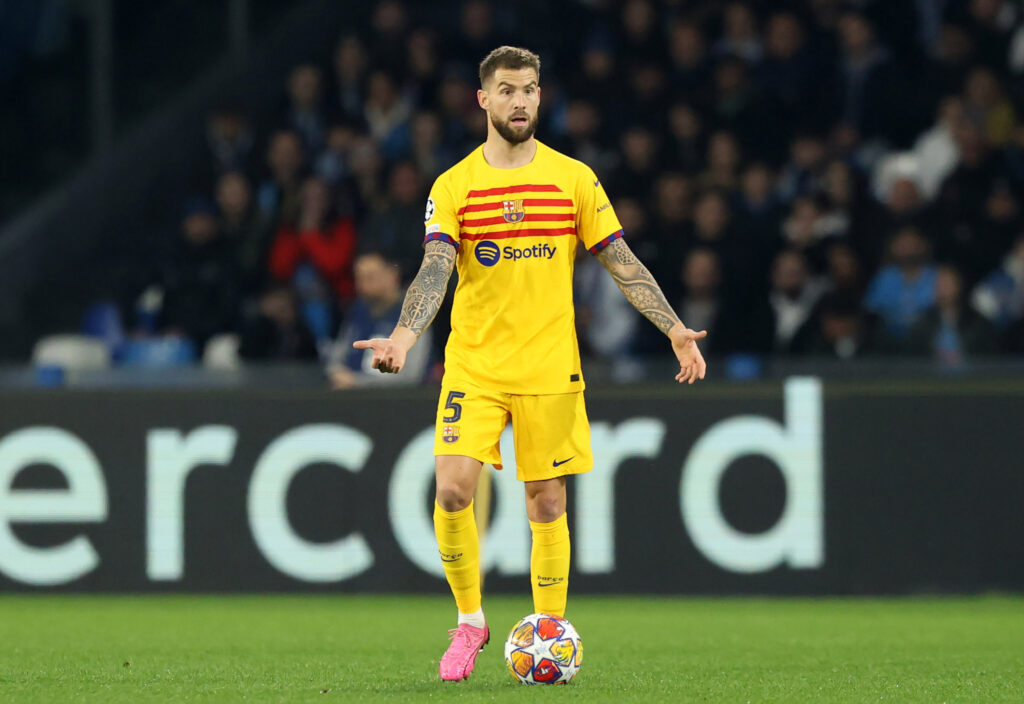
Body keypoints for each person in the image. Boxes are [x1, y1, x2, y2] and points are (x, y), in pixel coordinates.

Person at [350, 47, 707, 682]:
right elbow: (435, 268)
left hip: (549, 366)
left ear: (541, 98)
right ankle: (470, 622)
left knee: (546, 502)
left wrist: (675, 327)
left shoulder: (573, 178)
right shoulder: (454, 185)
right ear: (483, 100)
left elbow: (620, 261)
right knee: (453, 490)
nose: (522, 101)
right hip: (474, 366)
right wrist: (404, 337)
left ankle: (548, 632)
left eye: (532, 89)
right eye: (509, 90)